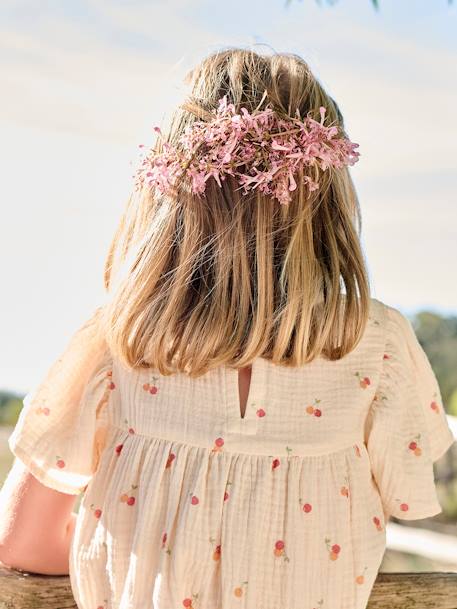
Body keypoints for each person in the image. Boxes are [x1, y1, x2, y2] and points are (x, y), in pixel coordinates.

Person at [0, 47, 454, 609]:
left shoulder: (119, 341)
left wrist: (140, 557)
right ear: (329, 198)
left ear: (165, 195)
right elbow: (404, 501)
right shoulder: (375, 344)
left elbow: (22, 543)